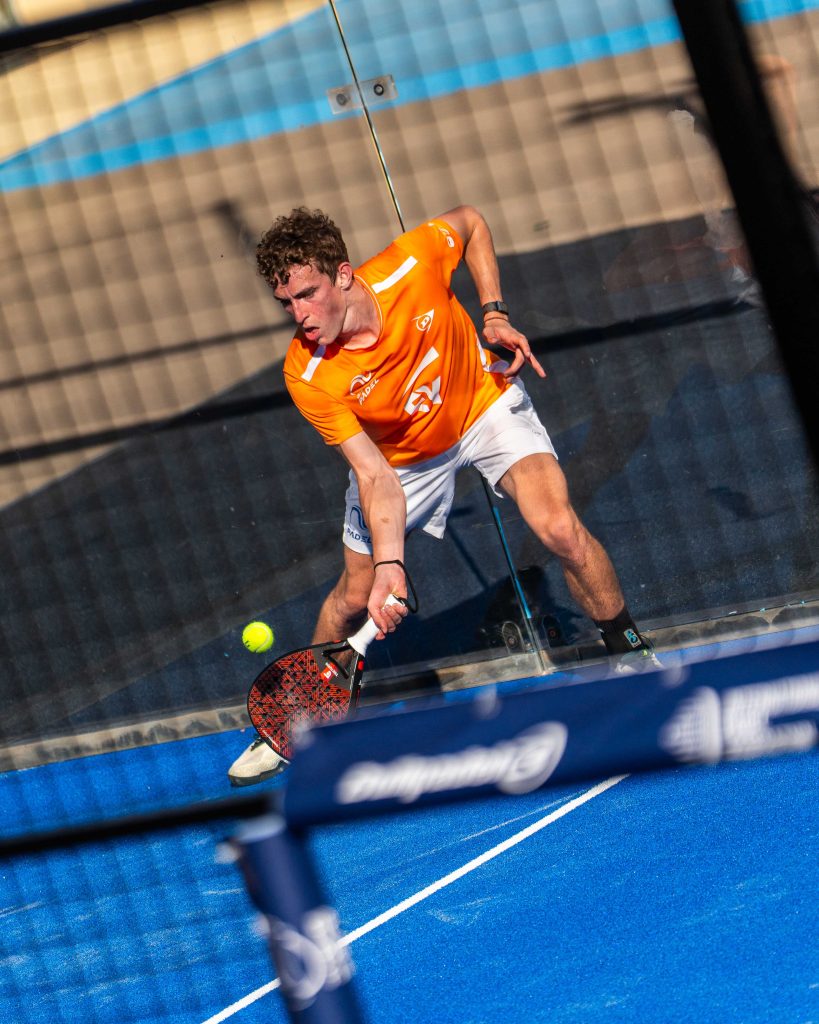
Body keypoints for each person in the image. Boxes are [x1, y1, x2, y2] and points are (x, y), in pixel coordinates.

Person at [228, 205, 659, 786]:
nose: (299, 315)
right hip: (401, 460)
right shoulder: (308, 373)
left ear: (344, 275)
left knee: (559, 528)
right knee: (354, 594)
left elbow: (473, 222)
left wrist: (494, 312)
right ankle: (296, 720)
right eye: (286, 302)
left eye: (308, 294)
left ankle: (631, 652)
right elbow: (374, 476)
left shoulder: (410, 265)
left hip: (481, 403)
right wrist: (390, 566)